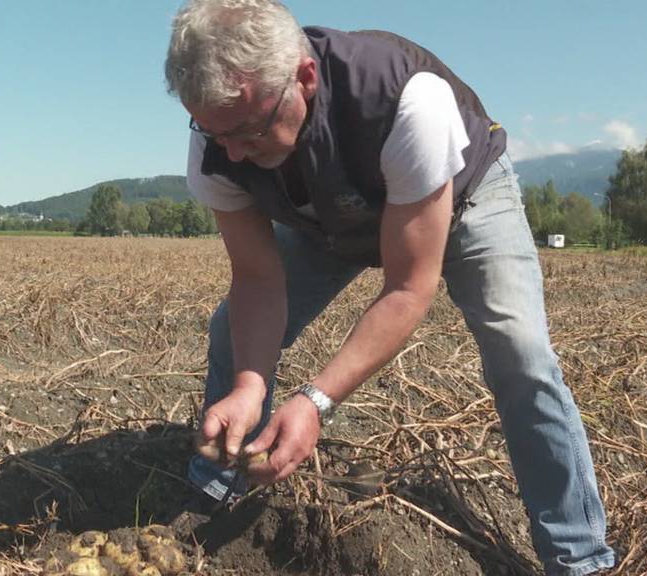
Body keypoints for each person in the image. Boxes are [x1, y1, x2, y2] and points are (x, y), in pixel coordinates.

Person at [163, 1, 616, 574]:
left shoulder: (404, 101)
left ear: (304, 77)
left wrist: (315, 400)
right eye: (212, 129)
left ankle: (578, 556)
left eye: (250, 128)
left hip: (460, 199)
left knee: (520, 353)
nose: (231, 151)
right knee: (233, 331)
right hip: (332, 216)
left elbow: (407, 287)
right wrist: (251, 385)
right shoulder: (218, 146)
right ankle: (218, 484)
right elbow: (257, 277)